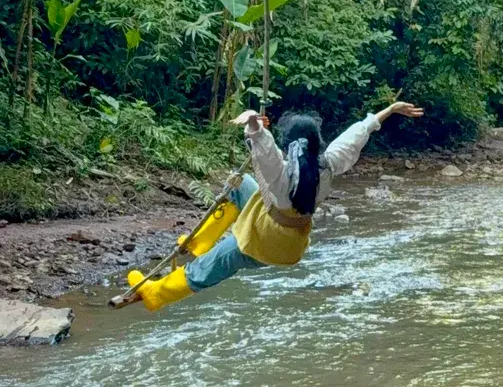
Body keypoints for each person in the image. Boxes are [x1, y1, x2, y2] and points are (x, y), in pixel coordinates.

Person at [127, 101, 423, 311]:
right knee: (241, 185)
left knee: (207, 270)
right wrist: (390, 110)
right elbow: (356, 136)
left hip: (264, 241)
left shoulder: (282, 177)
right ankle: (200, 242)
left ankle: (157, 294)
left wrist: (254, 122)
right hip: (290, 239)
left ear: (289, 144)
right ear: (318, 143)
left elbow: (265, 151)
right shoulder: (328, 165)